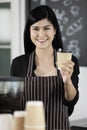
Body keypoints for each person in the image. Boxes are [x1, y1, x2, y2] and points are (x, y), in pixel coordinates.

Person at [10, 5, 80, 130]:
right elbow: (14, 106)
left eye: (46, 28)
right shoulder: (18, 64)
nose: (41, 34)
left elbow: (70, 102)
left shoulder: (69, 60)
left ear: (54, 31)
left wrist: (67, 80)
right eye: (35, 29)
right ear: (29, 31)